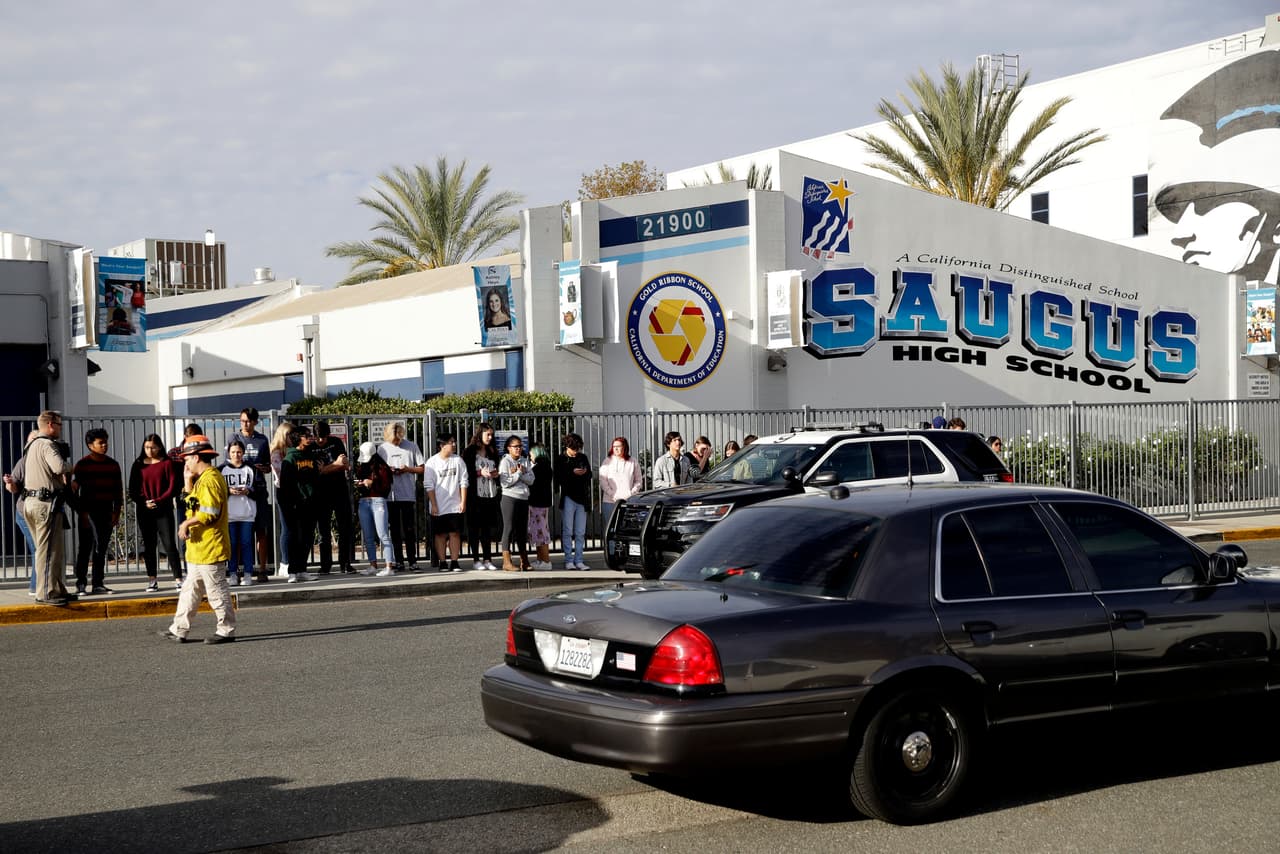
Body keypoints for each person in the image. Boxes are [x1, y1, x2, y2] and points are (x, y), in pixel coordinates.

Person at [158, 435, 236, 644]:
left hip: (211, 548)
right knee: (189, 591)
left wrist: (185, 524)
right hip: (199, 549)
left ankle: (226, 630)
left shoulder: (210, 480)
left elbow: (209, 513)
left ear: (196, 457)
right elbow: (192, 502)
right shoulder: (202, 479)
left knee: (216, 591)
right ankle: (179, 629)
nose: (185, 462)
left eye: (187, 458)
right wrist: (186, 481)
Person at [20, 412, 76, 606]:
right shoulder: (46, 444)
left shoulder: (32, 445)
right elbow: (59, 467)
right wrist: (71, 466)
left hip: (33, 503)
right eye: (59, 424)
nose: (60, 428)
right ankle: (44, 593)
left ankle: (57, 589)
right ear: (50, 424)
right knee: (47, 551)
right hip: (45, 504)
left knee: (54, 550)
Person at [128, 433, 184, 592]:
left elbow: (173, 487)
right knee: (149, 545)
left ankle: (178, 578)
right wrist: (144, 501)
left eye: (153, 447)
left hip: (164, 509)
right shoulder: (138, 464)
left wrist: (159, 500)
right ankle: (152, 579)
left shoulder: (167, 463)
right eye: (146, 447)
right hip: (144, 510)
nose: (150, 450)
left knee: (169, 544)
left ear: (159, 447)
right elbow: (133, 489)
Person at [71, 427, 122, 595]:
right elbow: (74, 490)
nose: (105, 445)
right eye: (101, 443)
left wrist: (117, 512)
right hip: (87, 514)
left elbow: (118, 491)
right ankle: (81, 583)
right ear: (90, 445)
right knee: (85, 549)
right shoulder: (82, 465)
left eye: (105, 442)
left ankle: (98, 583)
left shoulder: (113, 465)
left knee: (101, 548)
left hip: (106, 512)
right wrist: (82, 512)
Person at [229, 408, 272, 575]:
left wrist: (264, 468)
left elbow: (268, 466)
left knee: (261, 531)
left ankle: (262, 568)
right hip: (238, 492)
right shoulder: (234, 438)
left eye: (247, 421)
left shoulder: (262, 440)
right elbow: (229, 463)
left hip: (258, 489)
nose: (244, 424)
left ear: (255, 422)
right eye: (242, 421)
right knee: (239, 533)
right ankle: (238, 569)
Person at [378, 421, 426, 571]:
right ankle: (399, 560)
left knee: (409, 529)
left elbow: (422, 468)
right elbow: (378, 471)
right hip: (390, 495)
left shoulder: (411, 446)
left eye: (398, 440)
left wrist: (407, 469)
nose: (397, 443)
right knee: (395, 530)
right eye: (394, 441)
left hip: (407, 494)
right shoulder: (382, 448)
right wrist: (389, 471)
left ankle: (412, 560)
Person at [278, 424, 321, 583]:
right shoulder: (290, 458)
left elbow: (315, 478)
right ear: (298, 439)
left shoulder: (310, 456)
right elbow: (285, 485)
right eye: (306, 436)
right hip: (295, 504)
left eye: (310, 435)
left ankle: (302, 569)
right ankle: (293, 571)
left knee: (308, 537)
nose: (310, 438)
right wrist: (290, 503)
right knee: (295, 537)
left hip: (310, 503)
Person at [312, 421, 355, 575]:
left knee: (345, 527)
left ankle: (345, 563)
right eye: (318, 437)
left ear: (328, 434)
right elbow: (318, 471)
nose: (321, 440)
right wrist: (333, 466)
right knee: (323, 530)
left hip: (339, 490)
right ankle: (325, 565)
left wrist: (327, 468)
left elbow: (344, 464)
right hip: (321, 493)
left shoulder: (336, 443)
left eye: (323, 437)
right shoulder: (312, 447)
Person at [4, 430, 42, 596]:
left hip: (42, 510)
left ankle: (43, 586)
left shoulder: (45, 460)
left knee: (43, 549)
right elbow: (13, 488)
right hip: (25, 511)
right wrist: (10, 483)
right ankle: (35, 587)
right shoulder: (24, 462)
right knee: (37, 549)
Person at [461, 423, 501, 570]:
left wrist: (496, 475)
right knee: (474, 528)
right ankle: (476, 559)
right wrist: (479, 473)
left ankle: (487, 559)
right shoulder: (470, 451)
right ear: (480, 434)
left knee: (487, 529)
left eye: (491, 435)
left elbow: (496, 469)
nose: (490, 437)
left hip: (489, 494)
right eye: (487, 434)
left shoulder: (492, 451)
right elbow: (464, 473)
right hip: (474, 496)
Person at [426, 433, 468, 571]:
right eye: (451, 442)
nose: (454, 444)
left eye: (454, 442)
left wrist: (463, 501)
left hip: (454, 505)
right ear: (442, 445)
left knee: (455, 533)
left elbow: (463, 482)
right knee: (440, 534)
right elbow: (429, 485)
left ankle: (454, 561)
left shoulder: (458, 461)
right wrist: (434, 504)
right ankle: (442, 562)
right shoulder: (431, 462)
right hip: (438, 505)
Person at [353, 441, 394, 575]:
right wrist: (361, 484)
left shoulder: (382, 468)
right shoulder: (362, 467)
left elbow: (386, 488)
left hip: (378, 501)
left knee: (383, 534)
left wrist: (372, 483)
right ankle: (373, 565)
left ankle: (389, 566)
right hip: (364, 502)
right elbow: (360, 481)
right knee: (368, 536)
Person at [220, 439, 257, 586]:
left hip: (247, 513)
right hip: (229, 515)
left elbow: (259, 488)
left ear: (243, 453)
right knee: (232, 544)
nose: (236, 455)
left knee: (247, 543)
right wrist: (228, 491)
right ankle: (233, 573)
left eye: (239, 452)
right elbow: (216, 490)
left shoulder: (251, 468)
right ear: (229, 453)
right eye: (233, 452)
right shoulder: (221, 469)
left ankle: (248, 573)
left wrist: (248, 491)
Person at [554, 433, 592, 570]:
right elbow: (558, 478)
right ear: (567, 446)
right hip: (568, 497)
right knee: (568, 530)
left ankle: (579, 559)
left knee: (580, 532)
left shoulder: (582, 457)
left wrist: (584, 473)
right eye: (573, 448)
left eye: (578, 448)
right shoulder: (561, 459)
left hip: (582, 499)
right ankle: (569, 559)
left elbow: (590, 474)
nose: (576, 451)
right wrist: (572, 473)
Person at [498, 435, 535, 571]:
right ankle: (506, 562)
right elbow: (505, 482)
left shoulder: (525, 461)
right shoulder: (505, 462)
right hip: (510, 498)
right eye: (515, 446)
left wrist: (520, 474)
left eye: (520, 446)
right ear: (509, 448)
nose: (518, 449)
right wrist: (519, 474)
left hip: (523, 498)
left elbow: (531, 479)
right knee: (509, 528)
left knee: (521, 530)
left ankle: (524, 560)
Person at [599, 436, 642, 529]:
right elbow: (603, 481)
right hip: (610, 501)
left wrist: (631, 493)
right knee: (610, 529)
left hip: (628, 501)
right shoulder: (607, 461)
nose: (616, 448)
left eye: (619, 446)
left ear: (625, 447)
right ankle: (611, 545)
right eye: (614, 446)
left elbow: (638, 480)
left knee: (625, 529)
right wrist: (612, 494)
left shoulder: (633, 461)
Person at [268, 421, 293, 577]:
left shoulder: (292, 451)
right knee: (286, 528)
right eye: (290, 434)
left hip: (295, 491)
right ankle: (284, 563)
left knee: (295, 528)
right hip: (283, 491)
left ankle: (293, 562)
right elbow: (280, 474)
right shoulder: (276, 453)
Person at [527, 443, 553, 570]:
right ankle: (540, 559)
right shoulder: (546, 466)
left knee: (541, 532)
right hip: (542, 503)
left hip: (538, 503)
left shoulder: (539, 467)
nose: (529, 456)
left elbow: (531, 482)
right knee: (538, 531)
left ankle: (546, 560)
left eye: (531, 453)